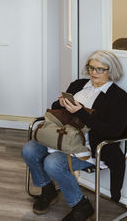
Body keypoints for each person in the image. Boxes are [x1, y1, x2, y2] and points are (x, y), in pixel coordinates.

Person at [21, 50, 127, 221]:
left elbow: (113, 132)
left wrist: (81, 113)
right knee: (29, 150)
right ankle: (47, 189)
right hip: (61, 137)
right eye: (91, 67)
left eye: (100, 69)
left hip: (90, 147)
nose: (93, 73)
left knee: (53, 163)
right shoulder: (79, 84)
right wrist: (61, 103)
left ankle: (81, 205)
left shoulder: (119, 97)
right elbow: (58, 110)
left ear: (111, 70)